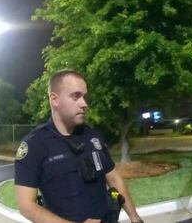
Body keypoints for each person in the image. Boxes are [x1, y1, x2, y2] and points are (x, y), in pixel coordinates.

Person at [14, 70, 143, 223]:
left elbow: (114, 178)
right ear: (54, 100)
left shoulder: (93, 136)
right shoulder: (34, 145)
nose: (84, 104)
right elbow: (26, 206)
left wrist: (135, 218)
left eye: (84, 96)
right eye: (76, 96)